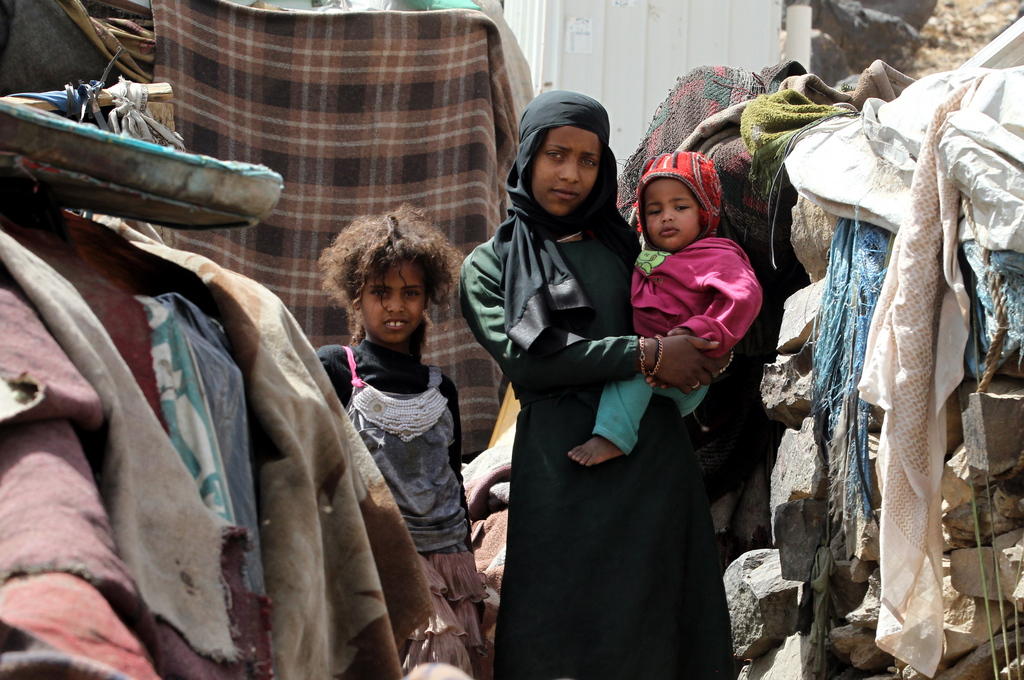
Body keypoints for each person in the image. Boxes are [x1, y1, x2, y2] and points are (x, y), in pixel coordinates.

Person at [459, 90, 734, 680]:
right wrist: (648, 353)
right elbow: (531, 362)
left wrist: (703, 349)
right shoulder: (489, 266)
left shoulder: (628, 250)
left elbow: (691, 312)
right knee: (559, 636)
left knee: (656, 632)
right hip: (561, 475)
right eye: (558, 154)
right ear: (528, 155)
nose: (571, 174)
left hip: (653, 468)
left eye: (588, 160)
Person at [317, 205, 486, 676]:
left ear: (426, 298)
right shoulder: (336, 369)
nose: (395, 305)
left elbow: (451, 478)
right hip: (378, 555)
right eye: (380, 292)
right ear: (356, 296)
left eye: (410, 293)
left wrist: (465, 559)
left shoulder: (440, 387)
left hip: (448, 559)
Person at [567, 151, 763, 467]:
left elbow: (744, 297)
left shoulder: (718, 256)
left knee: (631, 372)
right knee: (624, 364)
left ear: (705, 212)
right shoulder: (647, 260)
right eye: (654, 210)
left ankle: (613, 437)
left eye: (680, 207)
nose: (666, 217)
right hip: (649, 359)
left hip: (688, 368)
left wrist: (698, 333)